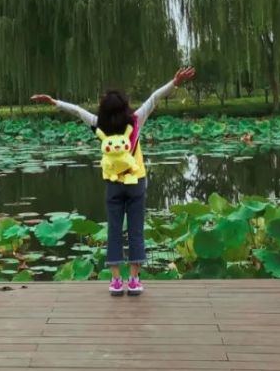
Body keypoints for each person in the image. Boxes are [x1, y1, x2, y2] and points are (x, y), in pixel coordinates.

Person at [32, 66, 196, 296]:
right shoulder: (136, 120)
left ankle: (116, 282)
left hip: (113, 184)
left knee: (115, 231)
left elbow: (78, 111)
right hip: (136, 182)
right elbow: (155, 97)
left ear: (104, 109)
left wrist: (55, 102)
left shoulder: (99, 124)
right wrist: (175, 82)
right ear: (125, 106)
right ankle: (134, 280)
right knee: (136, 230)